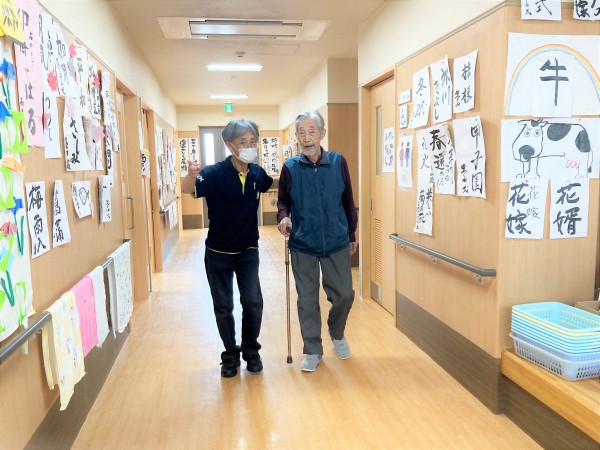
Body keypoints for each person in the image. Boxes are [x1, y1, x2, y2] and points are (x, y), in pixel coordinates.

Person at [181, 119, 273, 378]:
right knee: (223, 306)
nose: (249, 146)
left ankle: (251, 351)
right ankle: (230, 354)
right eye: (243, 142)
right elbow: (187, 189)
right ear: (230, 145)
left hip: (248, 250)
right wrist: (191, 174)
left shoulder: (257, 173)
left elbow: (272, 184)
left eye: (253, 141)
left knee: (253, 301)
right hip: (218, 252)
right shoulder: (212, 173)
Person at [277, 110, 358, 372]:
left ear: (322, 134)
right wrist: (283, 217)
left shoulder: (337, 162)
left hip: (336, 240)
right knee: (307, 300)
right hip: (303, 243)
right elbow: (283, 201)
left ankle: (336, 331)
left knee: (344, 294)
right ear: (296, 136)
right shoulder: (290, 167)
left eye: (312, 131)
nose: (306, 137)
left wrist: (351, 233)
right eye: (301, 132)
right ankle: (313, 349)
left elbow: (348, 201)